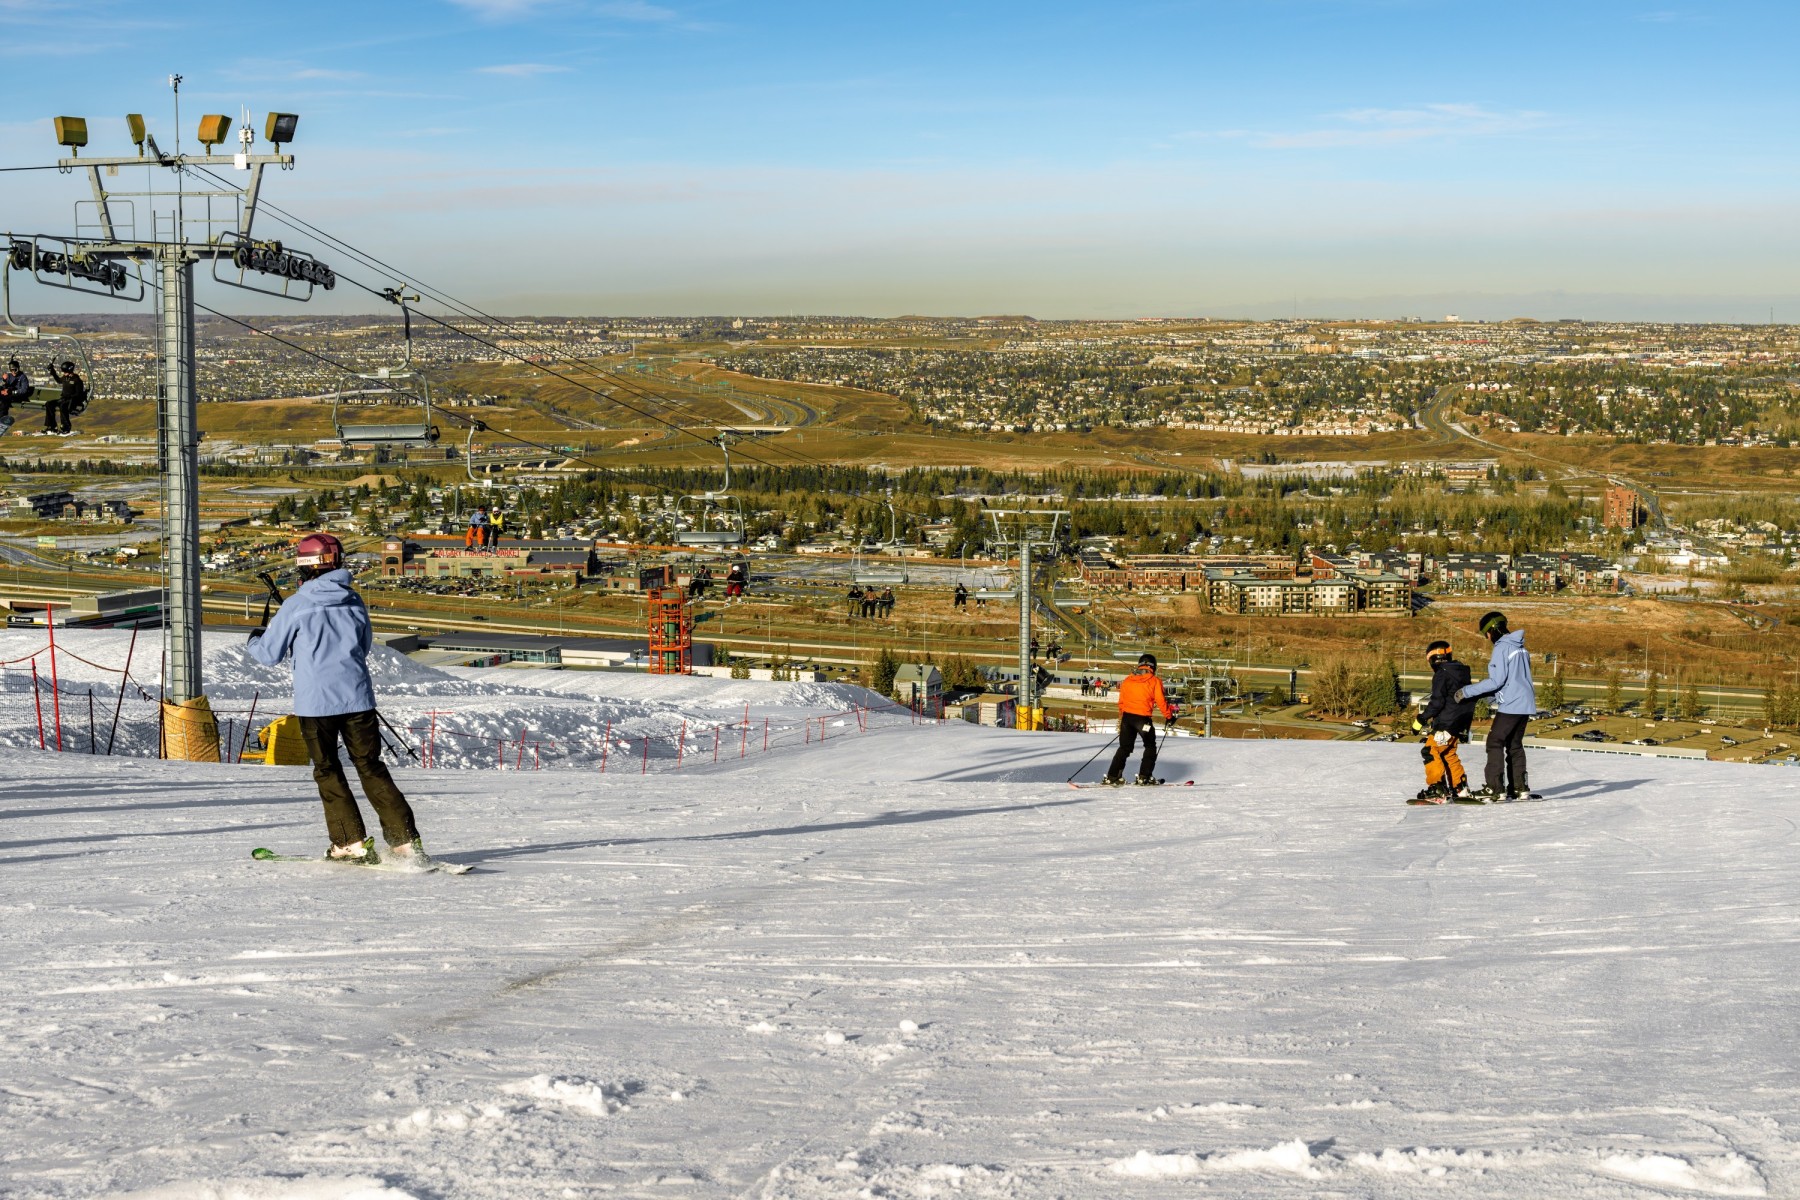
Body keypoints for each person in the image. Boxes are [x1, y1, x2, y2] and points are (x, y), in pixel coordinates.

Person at [247, 532, 428, 863]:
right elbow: (363, 645)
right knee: (371, 766)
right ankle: (404, 841)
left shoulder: (296, 606)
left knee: (327, 769)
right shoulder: (354, 600)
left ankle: (349, 843)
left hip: (316, 704)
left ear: (304, 566)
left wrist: (254, 640)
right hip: (357, 699)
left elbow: (269, 655)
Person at [1456, 610, 1540, 801]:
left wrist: (1466, 691)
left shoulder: (1502, 648)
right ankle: (1519, 788)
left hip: (1512, 704)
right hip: (1525, 703)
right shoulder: (1520, 648)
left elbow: (1496, 681)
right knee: (1514, 745)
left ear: (1492, 630)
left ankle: (1495, 788)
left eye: (1486, 634)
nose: (1487, 639)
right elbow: (1514, 679)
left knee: (1494, 742)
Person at [1412, 640, 1474, 803]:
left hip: (1446, 723)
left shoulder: (1442, 673)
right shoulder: (1462, 672)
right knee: (1448, 754)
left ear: (1433, 659)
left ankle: (1437, 788)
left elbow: (1437, 702)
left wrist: (1421, 719)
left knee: (1430, 751)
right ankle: (1459, 788)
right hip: (1459, 723)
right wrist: (1464, 728)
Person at [1104, 653, 1173, 786]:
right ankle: (1144, 776)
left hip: (1127, 718)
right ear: (1154, 666)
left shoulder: (1128, 680)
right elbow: (1161, 701)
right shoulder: (1154, 681)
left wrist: (1122, 718)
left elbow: (1121, 702)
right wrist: (1169, 716)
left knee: (1124, 747)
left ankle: (1112, 776)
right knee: (1150, 746)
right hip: (1142, 719)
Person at [43, 359, 83, 435]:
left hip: (72, 400)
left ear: (70, 371)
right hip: (63, 399)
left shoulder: (76, 380)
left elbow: (78, 393)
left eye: (65, 372)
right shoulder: (65, 378)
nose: (64, 374)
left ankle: (66, 427)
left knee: (63, 406)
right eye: (64, 372)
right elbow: (59, 380)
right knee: (49, 404)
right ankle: (51, 426)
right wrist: (53, 371)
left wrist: (70, 397)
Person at [0, 358, 31, 433]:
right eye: (11, 370)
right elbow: (5, 385)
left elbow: (24, 390)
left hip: (17, 396)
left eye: (15, 370)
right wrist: (4, 380)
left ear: (18, 368)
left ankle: (2, 419)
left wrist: (11, 392)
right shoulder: (9, 376)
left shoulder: (22, 377)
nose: (13, 372)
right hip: (7, 394)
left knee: (4, 401)